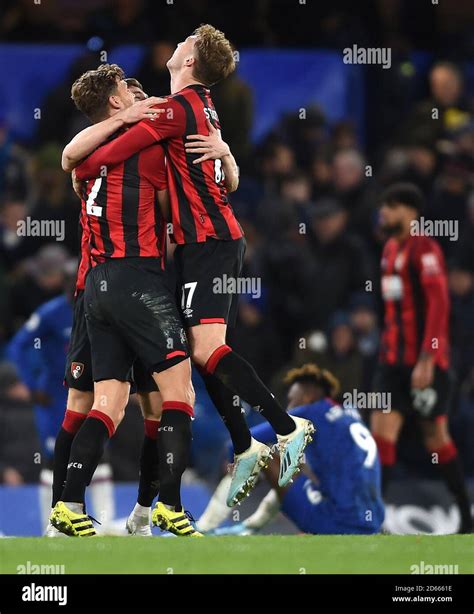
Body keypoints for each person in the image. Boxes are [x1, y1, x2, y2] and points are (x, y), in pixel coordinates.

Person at [64, 25, 315, 509]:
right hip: (205, 243)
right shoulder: (199, 107)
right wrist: (230, 159)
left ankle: (287, 427)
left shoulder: (175, 108)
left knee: (205, 349)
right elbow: (225, 178)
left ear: (191, 61)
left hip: (210, 243)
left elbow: (93, 156)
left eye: (184, 43)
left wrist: (83, 164)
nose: (174, 44)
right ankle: (245, 445)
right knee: (197, 351)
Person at [50, 64, 197, 538]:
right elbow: (183, 199)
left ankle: (77, 506)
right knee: (176, 394)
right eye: (132, 92)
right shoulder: (145, 143)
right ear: (119, 102)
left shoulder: (93, 150)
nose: (145, 98)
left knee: (111, 402)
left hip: (97, 287)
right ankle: (166, 507)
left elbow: (74, 157)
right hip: (136, 279)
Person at [371, 182, 472, 533]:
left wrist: (428, 358)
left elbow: (439, 304)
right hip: (392, 362)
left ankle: (466, 516)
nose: (383, 212)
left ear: (409, 212)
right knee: (381, 434)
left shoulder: (426, 249)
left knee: (436, 439)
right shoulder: (388, 250)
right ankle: (375, 520)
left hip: (424, 362)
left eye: (390, 206)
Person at [197, 364, 384, 536]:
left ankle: (204, 527)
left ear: (307, 398)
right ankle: (248, 526)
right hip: (373, 522)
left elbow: (242, 441)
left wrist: (232, 460)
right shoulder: (350, 414)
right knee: (291, 462)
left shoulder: (309, 412)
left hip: (338, 522)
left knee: (260, 451)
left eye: (292, 400)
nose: (288, 408)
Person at [7, 263, 115, 532]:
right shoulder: (51, 313)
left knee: (98, 453)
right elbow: (18, 345)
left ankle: (102, 524)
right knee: (55, 458)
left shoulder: (103, 308)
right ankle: (51, 524)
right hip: (55, 396)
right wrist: (31, 385)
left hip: (92, 390)